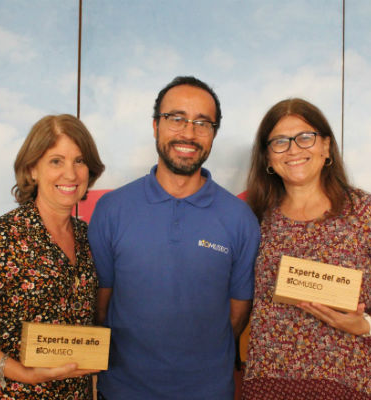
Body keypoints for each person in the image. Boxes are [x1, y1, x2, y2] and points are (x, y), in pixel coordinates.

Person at [242, 98, 371, 399]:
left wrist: (367, 323)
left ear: (326, 147)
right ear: (267, 157)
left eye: (305, 137)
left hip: (353, 384)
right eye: (280, 142)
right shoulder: (252, 220)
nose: (294, 149)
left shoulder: (367, 212)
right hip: (271, 385)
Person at [88, 76, 260, 399]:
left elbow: (236, 318)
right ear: (155, 126)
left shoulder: (240, 220)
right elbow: (100, 308)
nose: (188, 133)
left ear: (213, 134)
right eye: (176, 119)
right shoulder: (112, 210)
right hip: (122, 392)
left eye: (202, 123)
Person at [0, 114, 105, 399]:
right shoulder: (2, 235)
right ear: (32, 169)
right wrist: (23, 373)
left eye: (79, 160)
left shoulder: (90, 238)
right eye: (56, 161)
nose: (71, 174)